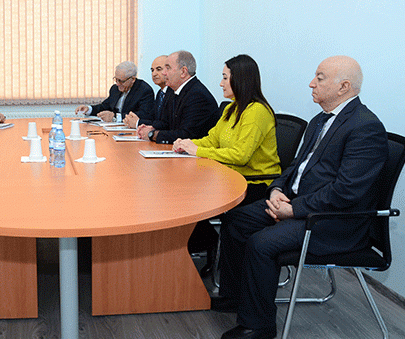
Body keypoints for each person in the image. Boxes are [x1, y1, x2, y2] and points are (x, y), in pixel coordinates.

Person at [213, 56, 388, 339]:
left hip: (334, 222)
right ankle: (235, 296)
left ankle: (258, 325)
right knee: (237, 219)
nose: (311, 83)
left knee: (261, 243)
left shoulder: (365, 127)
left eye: (319, 78)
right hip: (301, 203)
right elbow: (295, 166)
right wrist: (278, 190)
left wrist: (293, 209)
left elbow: (345, 191)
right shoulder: (320, 119)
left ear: (343, 87)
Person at [173, 54, 281, 204]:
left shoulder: (257, 111)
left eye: (225, 78)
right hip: (229, 175)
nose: (221, 84)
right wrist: (186, 144)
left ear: (240, 80)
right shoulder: (231, 108)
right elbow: (212, 140)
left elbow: (240, 156)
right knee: (183, 191)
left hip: (254, 183)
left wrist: (197, 150)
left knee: (192, 198)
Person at [137, 51, 219, 143]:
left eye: (167, 68)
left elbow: (186, 135)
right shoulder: (174, 91)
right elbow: (167, 123)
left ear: (183, 72)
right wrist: (151, 127)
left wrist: (152, 134)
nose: (164, 73)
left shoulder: (197, 96)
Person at [74, 61, 154, 123]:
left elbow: (143, 115)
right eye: (116, 79)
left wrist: (115, 117)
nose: (117, 83)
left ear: (132, 79)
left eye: (121, 81)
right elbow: (105, 106)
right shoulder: (115, 89)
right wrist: (89, 109)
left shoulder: (144, 90)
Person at [123, 55, 172, 129]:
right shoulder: (160, 93)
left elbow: (166, 124)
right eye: (152, 70)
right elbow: (154, 119)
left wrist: (137, 123)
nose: (154, 74)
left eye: (158, 69)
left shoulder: (173, 93)